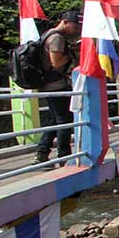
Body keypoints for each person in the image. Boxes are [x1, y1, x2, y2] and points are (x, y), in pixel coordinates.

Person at [34, 10, 81, 165]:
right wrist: (70, 53)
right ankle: (64, 155)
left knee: (55, 120)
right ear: (65, 22)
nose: (75, 30)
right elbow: (56, 63)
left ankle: (42, 151)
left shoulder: (48, 34)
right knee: (64, 120)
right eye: (74, 27)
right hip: (56, 86)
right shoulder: (57, 38)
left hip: (49, 85)